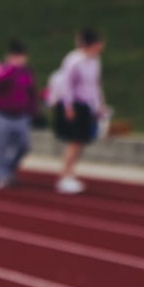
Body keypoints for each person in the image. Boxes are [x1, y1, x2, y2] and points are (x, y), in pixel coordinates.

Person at [49, 28, 108, 195]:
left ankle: (70, 173)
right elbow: (67, 84)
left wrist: (99, 104)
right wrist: (68, 106)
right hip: (76, 105)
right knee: (74, 142)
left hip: (88, 106)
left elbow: (95, 85)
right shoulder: (74, 60)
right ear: (94, 44)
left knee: (81, 142)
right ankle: (64, 175)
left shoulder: (95, 61)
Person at [0, 38, 40, 189]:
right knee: (1, 148)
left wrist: (34, 112)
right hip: (2, 114)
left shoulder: (27, 72)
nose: (20, 60)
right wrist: (11, 68)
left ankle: (8, 169)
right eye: (17, 56)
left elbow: (31, 92)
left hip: (21, 116)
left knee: (24, 146)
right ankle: (1, 175)